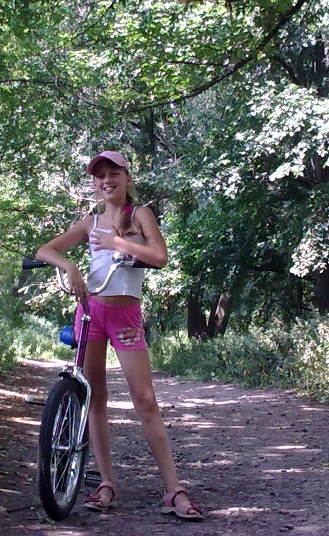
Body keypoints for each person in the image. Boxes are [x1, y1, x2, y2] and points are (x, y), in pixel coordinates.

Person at [35, 151, 205, 521]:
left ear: (127, 177)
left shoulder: (139, 214)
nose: (106, 180)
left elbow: (159, 256)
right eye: (99, 176)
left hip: (125, 316)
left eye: (113, 173)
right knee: (93, 398)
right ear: (94, 183)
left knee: (145, 400)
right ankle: (107, 484)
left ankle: (173, 489)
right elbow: (45, 250)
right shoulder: (90, 221)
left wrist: (118, 244)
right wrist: (70, 265)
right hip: (90, 312)